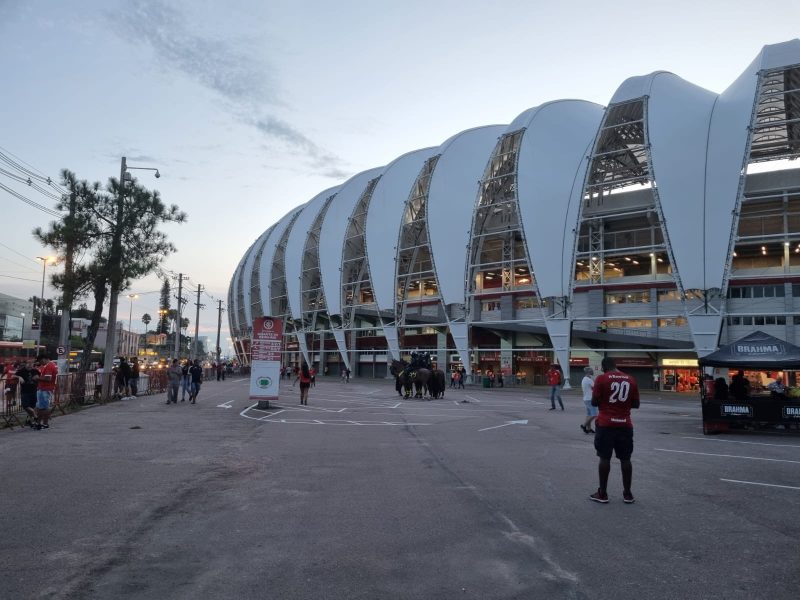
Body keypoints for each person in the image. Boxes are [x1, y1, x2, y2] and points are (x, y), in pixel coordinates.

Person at [589, 357, 640, 504]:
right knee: (626, 459)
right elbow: (636, 404)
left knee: (605, 458)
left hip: (606, 424)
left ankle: (603, 493)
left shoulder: (601, 379)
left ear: (604, 367)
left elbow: (594, 402)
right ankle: (628, 494)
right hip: (625, 424)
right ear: (615, 365)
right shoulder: (630, 379)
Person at [34, 353, 59, 430]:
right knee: (41, 407)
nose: (40, 363)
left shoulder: (49, 366)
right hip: (43, 388)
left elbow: (48, 379)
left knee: (44, 407)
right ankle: (40, 423)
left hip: (46, 389)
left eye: (41, 361)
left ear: (44, 359)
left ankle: (44, 423)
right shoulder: (49, 365)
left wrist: (37, 378)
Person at [15, 359, 40, 427]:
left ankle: (28, 421)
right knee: (25, 406)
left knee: (32, 406)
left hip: (34, 390)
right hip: (25, 391)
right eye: (28, 363)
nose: (30, 365)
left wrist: (38, 378)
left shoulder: (35, 370)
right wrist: (19, 377)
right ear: (25, 364)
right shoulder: (21, 371)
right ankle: (35, 416)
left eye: (31, 363)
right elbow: (13, 376)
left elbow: (39, 377)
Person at [580, 366, 597, 434]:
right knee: (594, 414)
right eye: (591, 370)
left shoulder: (584, 379)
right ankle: (584, 425)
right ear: (589, 372)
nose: (593, 371)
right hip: (590, 399)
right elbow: (595, 387)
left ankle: (589, 428)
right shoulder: (589, 380)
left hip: (586, 399)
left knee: (589, 414)